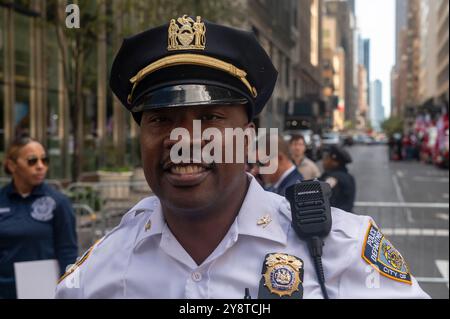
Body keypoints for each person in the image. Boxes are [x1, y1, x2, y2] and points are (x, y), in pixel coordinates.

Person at [56, 16, 428, 299]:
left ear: (248, 138)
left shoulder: (341, 251)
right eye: (161, 119)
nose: (183, 138)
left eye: (211, 118)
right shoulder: (99, 272)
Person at [0, 136, 78, 299]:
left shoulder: (59, 202)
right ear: (12, 165)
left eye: (45, 160)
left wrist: (70, 290)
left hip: (41, 290)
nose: (40, 166)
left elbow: (68, 252)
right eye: (32, 161)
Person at [319, 145, 356, 212]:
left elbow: (328, 184)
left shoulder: (334, 177)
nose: (324, 161)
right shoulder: (348, 176)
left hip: (337, 220)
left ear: (335, 162)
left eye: (327, 158)